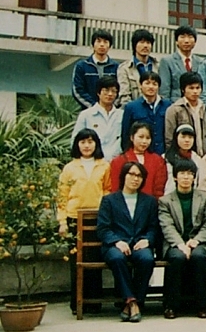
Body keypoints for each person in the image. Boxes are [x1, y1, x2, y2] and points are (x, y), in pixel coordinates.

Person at [97, 161, 159, 323]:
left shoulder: (150, 201)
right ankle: (133, 301)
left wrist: (147, 240)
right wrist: (117, 241)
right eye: (131, 174)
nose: (135, 179)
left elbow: (154, 227)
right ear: (123, 176)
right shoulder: (109, 200)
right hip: (115, 245)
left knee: (147, 259)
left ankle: (130, 303)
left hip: (139, 243)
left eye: (139, 176)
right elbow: (103, 228)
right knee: (117, 258)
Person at [58, 129, 111, 315]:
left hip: (97, 217)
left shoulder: (104, 166)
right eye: (83, 142)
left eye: (90, 141)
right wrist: (62, 221)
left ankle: (94, 302)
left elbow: (108, 191)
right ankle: (77, 303)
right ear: (77, 144)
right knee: (77, 261)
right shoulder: (69, 168)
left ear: (96, 144)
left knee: (94, 259)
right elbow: (62, 196)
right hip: (74, 217)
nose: (87, 146)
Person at [158, 159, 206, 319]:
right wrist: (180, 244)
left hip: (197, 241)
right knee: (177, 257)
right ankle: (171, 305)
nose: (186, 177)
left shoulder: (204, 198)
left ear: (194, 177)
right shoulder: (165, 201)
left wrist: (196, 240)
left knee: (199, 256)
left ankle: (202, 305)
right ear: (175, 177)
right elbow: (167, 226)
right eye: (182, 173)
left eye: (190, 174)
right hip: (174, 243)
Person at [72, 75, 123, 160]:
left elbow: (124, 139)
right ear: (98, 92)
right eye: (106, 90)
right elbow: (75, 140)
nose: (110, 94)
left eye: (113, 91)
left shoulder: (122, 115)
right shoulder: (86, 115)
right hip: (92, 160)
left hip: (116, 160)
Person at [111, 121, 168, 198]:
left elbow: (159, 188)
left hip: (150, 203)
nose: (144, 141)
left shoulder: (158, 160)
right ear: (132, 137)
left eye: (148, 138)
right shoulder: (118, 161)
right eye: (141, 137)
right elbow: (115, 188)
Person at [120, 71, 171, 156]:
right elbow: (125, 134)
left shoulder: (167, 105)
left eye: (154, 84)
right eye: (147, 83)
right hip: (139, 153)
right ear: (140, 85)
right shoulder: (131, 107)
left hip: (163, 153)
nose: (151, 87)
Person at [164, 72, 206, 156]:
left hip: (203, 154)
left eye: (198, 88)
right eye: (191, 88)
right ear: (183, 89)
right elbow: (169, 138)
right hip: (182, 156)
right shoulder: (174, 109)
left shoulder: (205, 108)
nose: (195, 91)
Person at [72, 29, 118, 109]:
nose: (102, 45)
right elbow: (77, 90)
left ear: (110, 46)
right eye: (98, 41)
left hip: (111, 111)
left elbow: (120, 90)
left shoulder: (116, 67)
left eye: (105, 42)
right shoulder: (82, 66)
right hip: (88, 111)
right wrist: (94, 107)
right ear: (93, 44)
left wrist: (110, 106)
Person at [117, 28, 159, 106]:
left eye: (148, 42)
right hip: (134, 110)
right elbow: (124, 96)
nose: (145, 46)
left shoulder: (158, 66)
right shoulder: (125, 68)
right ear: (134, 45)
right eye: (141, 42)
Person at [159, 25, 201, 101]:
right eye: (182, 37)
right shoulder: (167, 61)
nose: (186, 41)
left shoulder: (200, 62)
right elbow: (164, 91)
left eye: (190, 37)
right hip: (175, 104)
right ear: (176, 41)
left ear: (195, 42)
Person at [163, 124, 206, 195]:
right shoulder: (165, 158)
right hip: (169, 197)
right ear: (176, 138)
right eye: (183, 137)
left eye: (190, 137)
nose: (187, 140)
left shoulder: (197, 159)